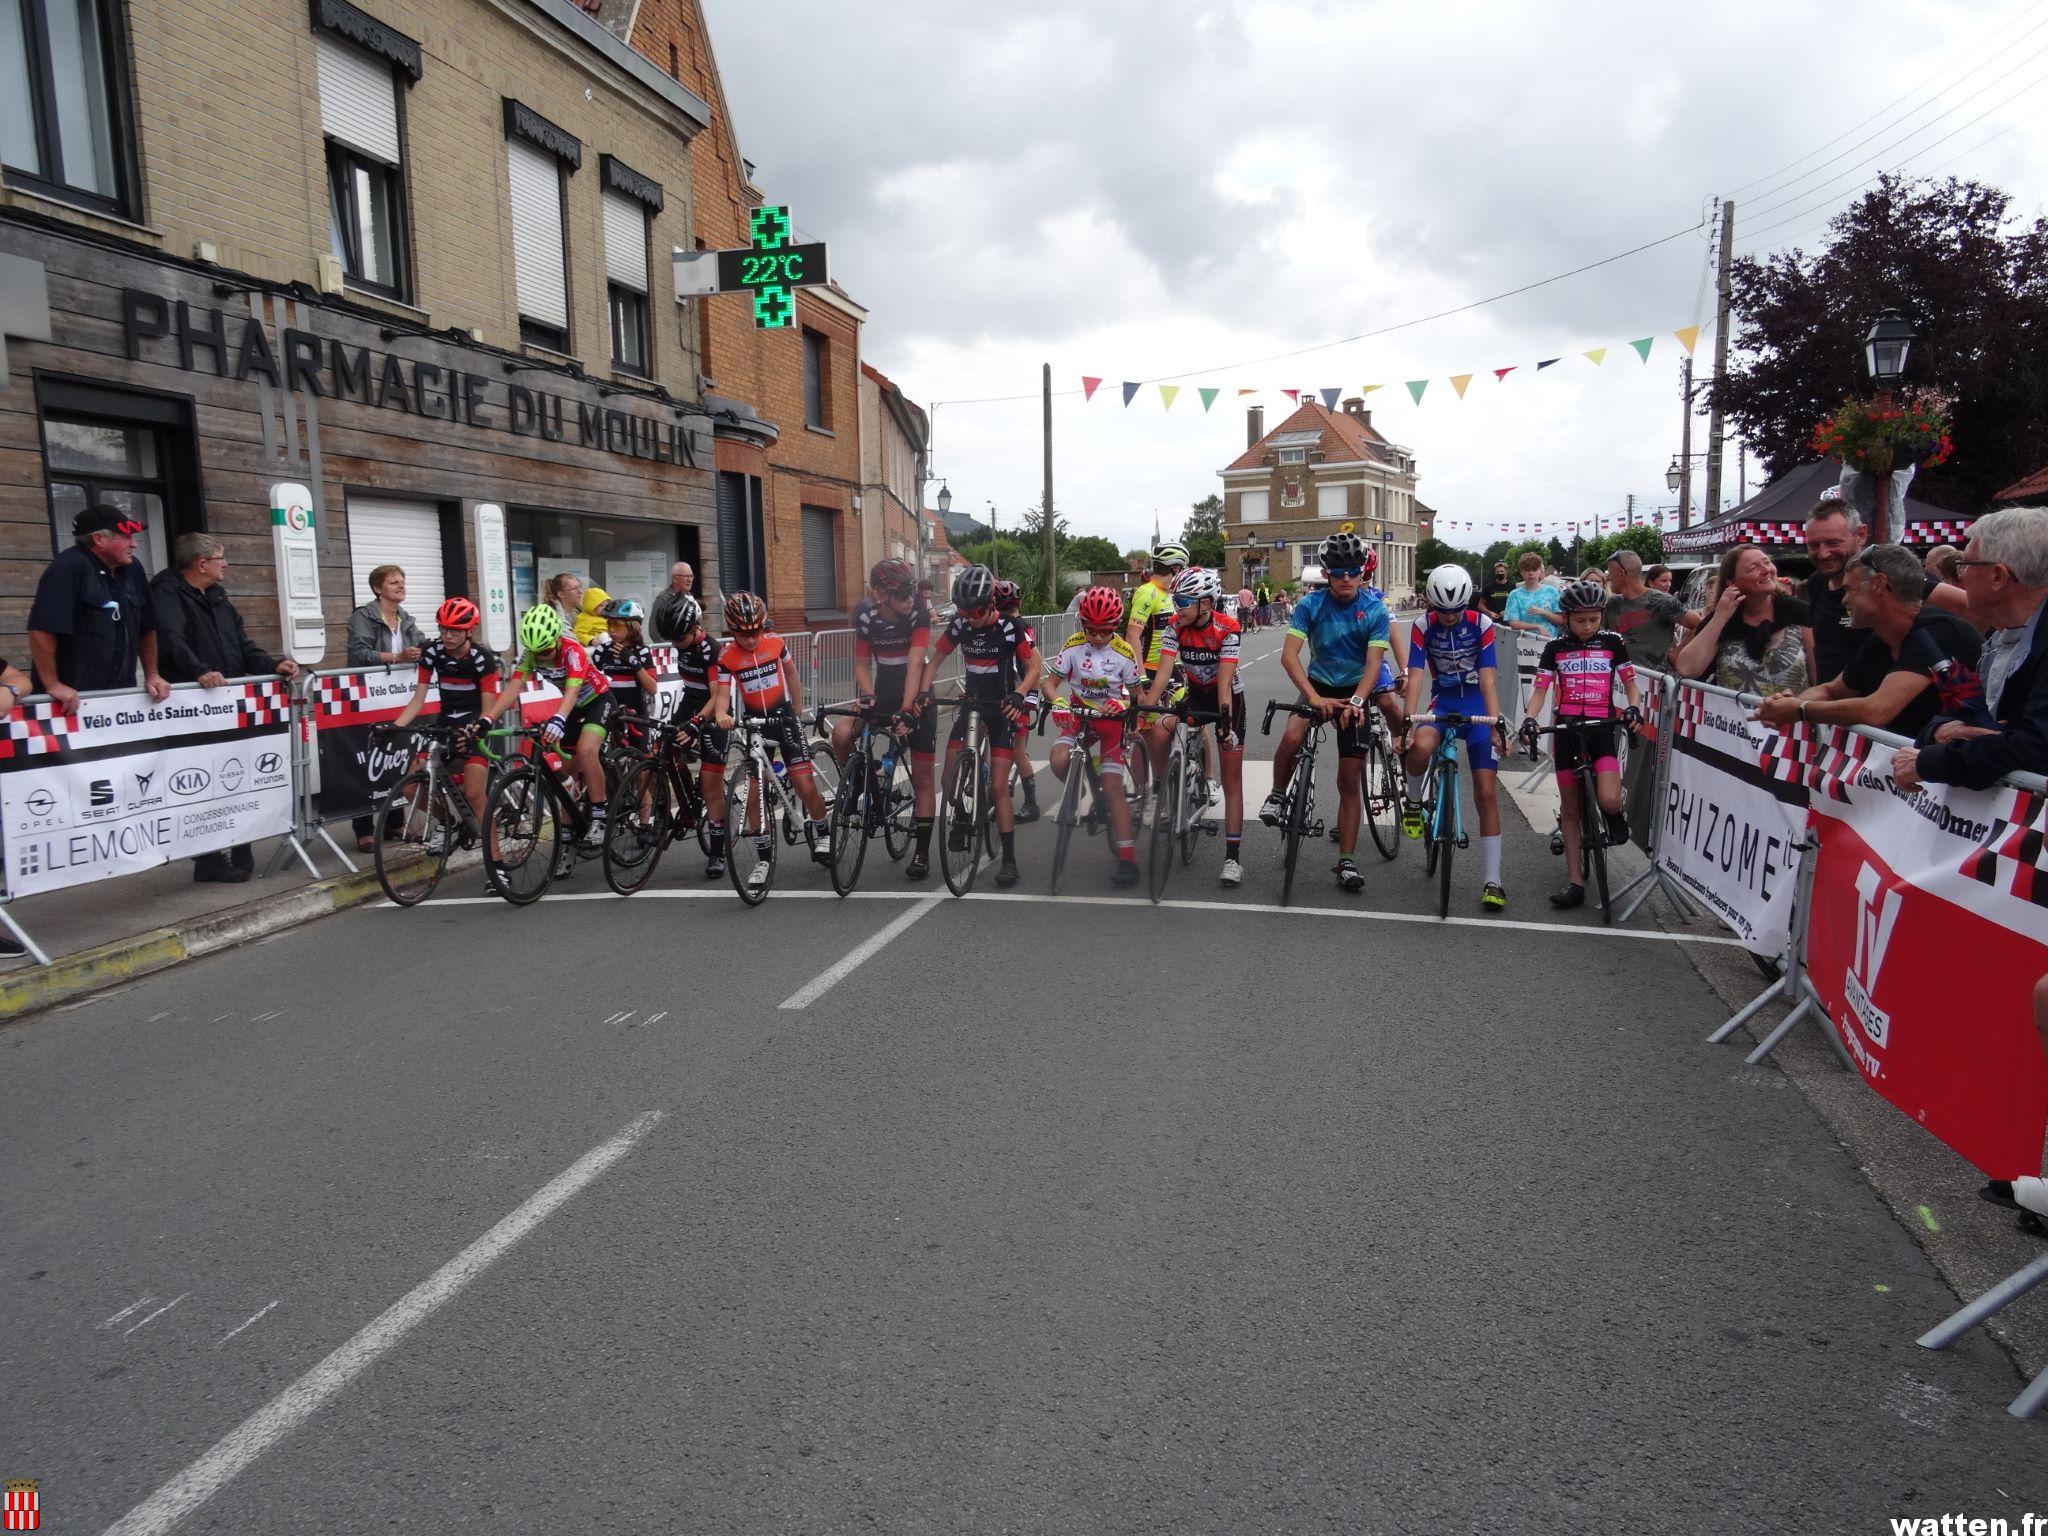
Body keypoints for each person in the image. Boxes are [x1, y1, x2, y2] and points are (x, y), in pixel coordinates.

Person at [150, 533, 302, 882]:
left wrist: (272, 664)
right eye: (221, 559)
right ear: (202, 564)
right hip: (191, 704)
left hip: (229, 700)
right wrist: (198, 670)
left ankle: (240, 841)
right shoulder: (167, 593)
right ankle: (208, 859)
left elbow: (240, 644)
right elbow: (170, 640)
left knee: (235, 775)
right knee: (200, 781)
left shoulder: (218, 596)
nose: (226, 565)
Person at [1263, 532, 1395, 893]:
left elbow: (1373, 665)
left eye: (1354, 571)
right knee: (1291, 736)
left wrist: (1356, 702)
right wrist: (1313, 697)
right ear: (1327, 574)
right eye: (1338, 573)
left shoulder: (1375, 609)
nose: (1347, 579)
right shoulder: (1310, 606)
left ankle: (1347, 862)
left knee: (1348, 781)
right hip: (1318, 685)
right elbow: (1289, 656)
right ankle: (1277, 794)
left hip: (1355, 692)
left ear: (1362, 572)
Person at [1753, 545, 1981, 741]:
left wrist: (1800, 709)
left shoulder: (1938, 633)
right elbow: (1831, 690)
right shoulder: (1881, 640)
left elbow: (1877, 710)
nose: (1844, 600)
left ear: (1879, 584)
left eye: (1850, 590)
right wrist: (1788, 705)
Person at [1893, 506, 2048, 791]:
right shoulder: (2002, 637)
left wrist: (1930, 762)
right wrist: (1938, 732)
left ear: (1998, 576)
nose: (1960, 576)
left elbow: (2037, 748)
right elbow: (1966, 714)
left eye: (1965, 564)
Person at [1519, 580, 1645, 909]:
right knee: (1571, 810)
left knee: (1609, 798)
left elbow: (1632, 687)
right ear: (1567, 618)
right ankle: (1575, 881)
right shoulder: (1555, 649)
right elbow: (1541, 691)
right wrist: (1530, 718)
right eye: (1580, 620)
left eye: (1593, 619)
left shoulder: (1614, 643)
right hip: (1566, 729)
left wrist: (1633, 707)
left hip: (1602, 727)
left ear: (1602, 615)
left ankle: (1614, 817)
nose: (1587, 626)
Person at [1401, 565, 1512, 911]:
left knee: (1486, 792)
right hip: (1443, 701)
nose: (1449, 617)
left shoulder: (1482, 625)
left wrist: (1495, 725)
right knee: (1418, 748)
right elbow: (1416, 677)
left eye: (1456, 610)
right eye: (1442, 610)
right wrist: (1408, 722)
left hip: (1477, 704)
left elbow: (1489, 679)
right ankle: (1415, 803)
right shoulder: (1422, 626)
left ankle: (1493, 881)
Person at [709, 591, 830, 889]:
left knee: (803, 784)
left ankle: (823, 832)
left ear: (763, 626)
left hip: (783, 718)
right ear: (731, 630)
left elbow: (791, 674)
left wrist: (798, 712)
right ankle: (763, 860)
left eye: (755, 632)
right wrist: (722, 714)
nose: (750, 640)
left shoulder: (776, 642)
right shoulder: (726, 657)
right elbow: (722, 693)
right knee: (754, 793)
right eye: (743, 634)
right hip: (754, 724)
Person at [474, 603, 614, 857]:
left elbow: (572, 691)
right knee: (565, 779)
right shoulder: (532, 654)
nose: (542, 657)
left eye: (547, 650)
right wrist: (488, 719)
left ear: (556, 639)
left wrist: (558, 719)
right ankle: (569, 836)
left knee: (585, 750)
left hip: (597, 700)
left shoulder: (572, 652)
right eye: (536, 653)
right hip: (571, 707)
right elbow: (512, 689)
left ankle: (600, 814)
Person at [931, 564, 1041, 887]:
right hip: (972, 705)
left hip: (1002, 708)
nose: (970, 617)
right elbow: (934, 660)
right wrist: (924, 694)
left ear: (992, 604)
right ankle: (965, 815)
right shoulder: (961, 625)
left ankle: (1009, 860)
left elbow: (1034, 668)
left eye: (976, 610)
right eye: (964, 611)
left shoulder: (1011, 626)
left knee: (997, 787)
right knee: (948, 778)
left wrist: (1021, 694)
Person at [1138, 567, 1247, 885]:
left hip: (1228, 701)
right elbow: (1161, 677)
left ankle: (1232, 859)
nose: (1177, 607)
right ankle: (1166, 786)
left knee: (1232, 780)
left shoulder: (1228, 628)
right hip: (1196, 696)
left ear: (1206, 604)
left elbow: (1225, 685)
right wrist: (1144, 712)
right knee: (1158, 730)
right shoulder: (1175, 627)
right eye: (1176, 600)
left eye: (1184, 600)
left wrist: (1226, 726)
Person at [841, 559, 939, 879]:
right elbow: (860, 666)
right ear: (880, 594)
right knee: (841, 735)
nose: (910, 598)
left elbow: (915, 664)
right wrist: (868, 695)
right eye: (902, 593)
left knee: (923, 778)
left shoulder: (917, 614)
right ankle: (859, 782)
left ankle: (921, 853)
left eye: (912, 591)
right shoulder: (867, 618)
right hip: (882, 695)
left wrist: (910, 709)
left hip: (918, 697)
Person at [29, 505, 172, 713]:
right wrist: (52, 684)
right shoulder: (67, 567)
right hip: (70, 701)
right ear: (99, 539)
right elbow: (42, 630)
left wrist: (152, 673)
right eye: (126, 537)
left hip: (119, 696)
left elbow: (147, 626)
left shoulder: (134, 568)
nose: (134, 544)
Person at [1046, 585, 1144, 886]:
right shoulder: (1073, 644)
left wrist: (1124, 701)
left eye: (1104, 631)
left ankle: (1127, 860)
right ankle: (1080, 786)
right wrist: (1058, 701)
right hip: (1080, 716)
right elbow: (1049, 684)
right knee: (1057, 760)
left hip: (1111, 721)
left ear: (1115, 626)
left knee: (1113, 787)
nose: (1097, 637)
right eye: (1091, 630)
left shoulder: (1124, 652)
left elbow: (1137, 695)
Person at [388, 597, 500, 840]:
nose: (447, 635)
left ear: (470, 630)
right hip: (446, 723)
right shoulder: (431, 651)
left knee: (473, 794)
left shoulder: (482, 659)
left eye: (455, 630)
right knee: (410, 788)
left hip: (475, 724)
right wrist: (394, 727)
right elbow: (418, 699)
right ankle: (447, 822)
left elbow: (488, 707)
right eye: (443, 628)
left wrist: (475, 731)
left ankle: (496, 864)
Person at [345, 563, 425, 848]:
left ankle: (394, 822)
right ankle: (362, 827)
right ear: (378, 588)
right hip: (367, 694)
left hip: (397, 696)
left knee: (396, 752)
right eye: (394, 582)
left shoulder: (406, 618)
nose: (401, 586)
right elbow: (359, 654)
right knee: (367, 757)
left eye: (403, 581)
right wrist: (397, 657)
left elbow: (423, 646)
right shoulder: (363, 616)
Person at [1674, 544, 1813, 698]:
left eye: (1767, 562)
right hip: (1732, 719)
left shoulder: (1799, 613)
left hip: (1788, 719)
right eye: (1753, 568)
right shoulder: (1723, 619)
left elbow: (1819, 678)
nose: (1766, 570)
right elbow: (1687, 668)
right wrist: (1720, 617)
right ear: (1732, 583)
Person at [664, 595, 730, 878]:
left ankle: (717, 851)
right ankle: (683, 805)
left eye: (678, 638)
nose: (674, 644)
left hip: (713, 713)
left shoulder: (711, 650)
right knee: (662, 746)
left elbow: (717, 697)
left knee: (711, 784)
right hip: (689, 704)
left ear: (694, 629)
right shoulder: (683, 645)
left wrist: (696, 723)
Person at [1125, 542, 1188, 810]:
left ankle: (1208, 780)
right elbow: (1132, 636)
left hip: (1172, 669)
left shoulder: (1172, 593)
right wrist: (1140, 678)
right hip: (1148, 672)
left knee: (1193, 719)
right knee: (1145, 732)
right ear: (1175, 568)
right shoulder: (1148, 593)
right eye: (1181, 570)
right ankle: (1142, 792)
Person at [1800, 498, 1870, 684]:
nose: (1823, 553)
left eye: (1833, 543)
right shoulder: (1816, 583)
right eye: (1814, 546)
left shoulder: (1882, 577)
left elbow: (1955, 603)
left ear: (1860, 535)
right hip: (1828, 705)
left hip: (1876, 706)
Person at [993, 580, 1043, 825]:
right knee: (1013, 750)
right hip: (1009, 693)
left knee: (1017, 751)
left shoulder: (1016, 626)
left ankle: (1031, 804)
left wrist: (1030, 696)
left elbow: (1035, 663)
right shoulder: (1021, 624)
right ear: (1019, 602)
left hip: (1016, 693)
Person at [1602, 549, 1686, 671]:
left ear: (1621, 573)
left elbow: (1699, 625)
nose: (1608, 577)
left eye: (1610, 572)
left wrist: (1677, 653)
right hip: (1619, 682)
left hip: (1654, 683)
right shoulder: (1612, 604)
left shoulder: (1662, 601)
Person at [590, 598, 659, 744]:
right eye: (609, 624)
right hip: (609, 710)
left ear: (632, 627)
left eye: (617, 625)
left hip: (636, 711)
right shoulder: (602, 650)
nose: (611, 629)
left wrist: (633, 662)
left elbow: (652, 689)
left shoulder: (642, 651)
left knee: (642, 759)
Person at [1501, 553, 1561, 642]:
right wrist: (1537, 627)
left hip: (1550, 641)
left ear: (1540, 571)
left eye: (1534, 569)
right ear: (1522, 572)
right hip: (1525, 645)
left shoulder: (1552, 591)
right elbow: (1513, 623)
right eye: (1527, 570)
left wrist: (1544, 613)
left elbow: (1561, 620)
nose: (1531, 573)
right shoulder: (1514, 595)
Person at [651, 561, 698, 643]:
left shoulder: (690, 598)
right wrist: (670, 649)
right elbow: (654, 631)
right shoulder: (663, 599)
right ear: (675, 579)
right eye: (686, 576)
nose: (690, 580)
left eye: (691, 576)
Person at [572, 584, 611, 649]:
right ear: (591, 606)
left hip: (610, 640)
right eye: (601, 605)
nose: (604, 608)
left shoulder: (607, 615)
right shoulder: (585, 618)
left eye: (606, 605)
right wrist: (591, 640)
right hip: (596, 644)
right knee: (604, 636)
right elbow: (578, 633)